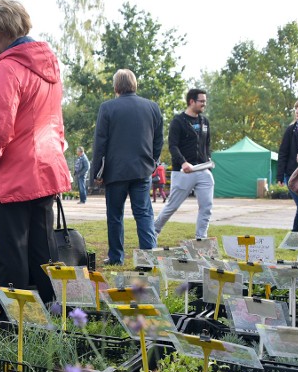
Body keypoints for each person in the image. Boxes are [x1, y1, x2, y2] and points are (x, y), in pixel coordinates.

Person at [0, 0, 71, 308]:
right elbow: (57, 124)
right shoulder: (48, 67)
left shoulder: (8, 67)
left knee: (11, 257)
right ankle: (54, 319)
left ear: (6, 30)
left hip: (13, 175)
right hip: (44, 169)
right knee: (43, 253)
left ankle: (11, 328)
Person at [90, 69, 163, 265]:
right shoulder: (152, 107)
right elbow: (158, 140)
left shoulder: (107, 108)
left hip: (116, 172)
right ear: (134, 84)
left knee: (115, 216)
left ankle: (116, 257)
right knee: (144, 213)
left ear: (116, 87)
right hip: (142, 170)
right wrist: (154, 162)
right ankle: (148, 257)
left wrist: (96, 173)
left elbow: (100, 144)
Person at [154, 88, 213, 239]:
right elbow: (173, 146)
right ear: (191, 101)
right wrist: (183, 162)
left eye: (205, 101)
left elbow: (207, 144)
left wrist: (208, 159)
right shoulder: (178, 121)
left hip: (203, 170)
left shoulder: (204, 121)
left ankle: (201, 238)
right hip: (183, 171)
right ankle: (153, 231)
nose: (204, 104)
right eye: (201, 101)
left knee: (206, 207)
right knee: (172, 206)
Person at [276, 99, 298, 232]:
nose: (297, 111)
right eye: (296, 108)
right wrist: (280, 176)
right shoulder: (291, 129)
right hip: (292, 175)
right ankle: (294, 239)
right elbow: (283, 152)